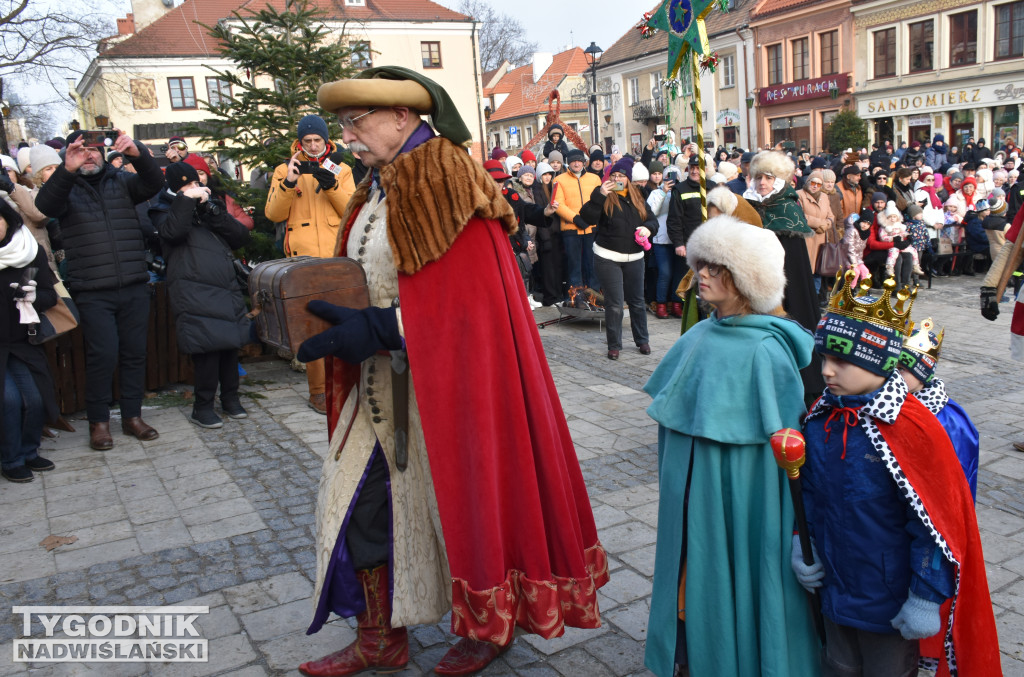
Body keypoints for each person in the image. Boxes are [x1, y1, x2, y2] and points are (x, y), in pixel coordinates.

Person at [296, 65, 608, 677]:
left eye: (355, 122)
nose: (346, 136)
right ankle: (379, 638)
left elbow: (471, 303)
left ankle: (490, 625)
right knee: (356, 502)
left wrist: (384, 327)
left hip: (453, 387)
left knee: (469, 503)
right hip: (380, 386)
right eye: (343, 124)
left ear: (402, 116)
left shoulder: (446, 176)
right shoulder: (376, 183)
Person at [798, 272, 1001, 676]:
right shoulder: (822, 419)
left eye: (841, 361)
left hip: (889, 602)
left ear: (877, 361)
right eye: (824, 359)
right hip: (834, 589)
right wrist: (800, 543)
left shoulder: (912, 427)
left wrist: (925, 596)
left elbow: (933, 525)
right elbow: (809, 491)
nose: (826, 371)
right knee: (837, 666)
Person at [644, 215, 819, 677]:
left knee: (731, 569)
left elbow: (779, 449)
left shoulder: (765, 350)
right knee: (692, 571)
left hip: (737, 497)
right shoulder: (700, 333)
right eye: (701, 264)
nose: (701, 274)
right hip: (692, 493)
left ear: (746, 279)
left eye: (716, 268)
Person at [34, 129, 165, 451]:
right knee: (103, 355)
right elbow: (44, 205)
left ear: (104, 153)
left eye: (94, 149)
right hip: (93, 290)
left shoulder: (122, 181)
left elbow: (154, 183)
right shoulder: (65, 187)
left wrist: (138, 153)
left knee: (134, 353)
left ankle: (132, 417)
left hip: (133, 284)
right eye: (81, 150)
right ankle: (99, 423)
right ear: (70, 154)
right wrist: (67, 169)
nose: (89, 155)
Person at [264, 114, 356, 415]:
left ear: (326, 140)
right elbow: (273, 214)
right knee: (312, 327)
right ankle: (318, 391)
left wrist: (331, 186)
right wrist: (289, 182)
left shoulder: (341, 169)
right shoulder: (284, 170)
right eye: (308, 141)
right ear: (300, 142)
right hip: (302, 262)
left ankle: (344, 385)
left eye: (318, 140)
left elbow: (350, 211)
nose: (313, 146)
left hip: (335, 258)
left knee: (341, 323)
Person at [152, 161, 251, 429]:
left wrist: (212, 211)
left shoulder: (206, 208)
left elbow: (240, 236)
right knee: (206, 348)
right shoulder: (162, 210)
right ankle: (203, 406)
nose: (195, 188)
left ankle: (230, 398)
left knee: (229, 345)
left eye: (197, 182)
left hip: (223, 285)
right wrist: (185, 201)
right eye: (187, 185)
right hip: (193, 288)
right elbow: (174, 232)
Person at [743, 151, 823, 402]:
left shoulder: (787, 208)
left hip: (786, 283)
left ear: (778, 180)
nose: (762, 183)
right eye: (758, 177)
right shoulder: (747, 206)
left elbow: (794, 263)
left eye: (768, 177)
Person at [0, 199, 58, 482]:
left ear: (7, 218)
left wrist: (33, 297)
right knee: (9, 400)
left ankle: (29, 451)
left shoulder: (27, 250)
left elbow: (49, 295)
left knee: (34, 398)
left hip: (22, 341)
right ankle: (11, 459)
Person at [579, 156, 658, 359]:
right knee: (614, 304)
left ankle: (642, 340)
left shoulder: (638, 195)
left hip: (635, 257)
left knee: (637, 301)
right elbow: (586, 218)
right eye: (613, 175)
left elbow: (652, 220)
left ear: (628, 179)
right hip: (608, 256)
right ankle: (614, 345)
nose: (616, 179)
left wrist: (648, 229)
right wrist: (600, 196)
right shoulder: (603, 195)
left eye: (621, 176)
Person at [897, 318, 979, 500]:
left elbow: (957, 473)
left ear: (922, 373)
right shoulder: (887, 403)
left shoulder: (949, 421)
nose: (893, 374)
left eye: (901, 369)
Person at [553, 148, 601, 296]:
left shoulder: (594, 179)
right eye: (573, 161)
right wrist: (575, 218)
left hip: (591, 228)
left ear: (584, 162)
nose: (576, 163)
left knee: (592, 264)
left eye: (579, 160)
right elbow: (558, 204)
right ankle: (576, 296)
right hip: (571, 229)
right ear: (568, 163)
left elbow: (600, 201)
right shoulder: (559, 180)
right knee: (574, 265)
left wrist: (591, 219)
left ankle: (594, 296)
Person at [664, 155, 704, 318]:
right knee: (683, 275)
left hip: (708, 243)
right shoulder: (680, 189)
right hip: (688, 243)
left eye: (698, 168)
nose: (694, 171)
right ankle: (678, 304)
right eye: (692, 168)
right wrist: (678, 243)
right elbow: (674, 219)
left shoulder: (712, 187)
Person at [182, 155, 255, 230]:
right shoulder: (183, 203)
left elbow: (248, 221)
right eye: (193, 175)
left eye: (201, 173)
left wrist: (226, 223)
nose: (198, 179)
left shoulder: (223, 194)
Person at [797, 169, 835, 292]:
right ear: (808, 182)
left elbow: (831, 217)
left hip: (820, 240)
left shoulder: (824, 197)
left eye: (819, 184)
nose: (815, 186)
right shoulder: (799, 195)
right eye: (813, 183)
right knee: (805, 270)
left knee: (818, 271)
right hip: (806, 239)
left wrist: (825, 225)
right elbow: (800, 216)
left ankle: (816, 297)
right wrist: (820, 223)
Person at [531, 162, 564, 306]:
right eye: (545, 174)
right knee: (548, 268)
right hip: (546, 235)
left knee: (557, 266)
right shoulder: (537, 191)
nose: (547, 177)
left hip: (557, 233)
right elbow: (540, 216)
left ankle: (557, 295)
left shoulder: (553, 188)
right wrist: (545, 238)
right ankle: (550, 296)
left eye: (549, 174)